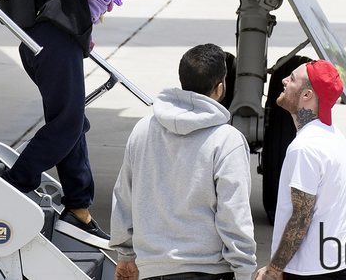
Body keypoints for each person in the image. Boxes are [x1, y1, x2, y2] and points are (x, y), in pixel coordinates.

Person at [0, 0, 141, 247]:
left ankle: (78, 210)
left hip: (51, 41)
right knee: (66, 125)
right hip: (54, 41)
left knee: (73, 124)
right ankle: (13, 185)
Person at [110, 43, 256, 280]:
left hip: (152, 270)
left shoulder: (143, 129)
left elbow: (123, 198)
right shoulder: (226, 140)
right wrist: (244, 271)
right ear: (219, 88)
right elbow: (234, 215)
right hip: (208, 272)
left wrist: (125, 254)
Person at [255, 60, 346, 280]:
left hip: (311, 269)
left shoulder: (305, 148)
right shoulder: (335, 136)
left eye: (291, 79)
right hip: (336, 261)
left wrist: (274, 269)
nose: (283, 81)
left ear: (307, 96)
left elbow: (301, 216)